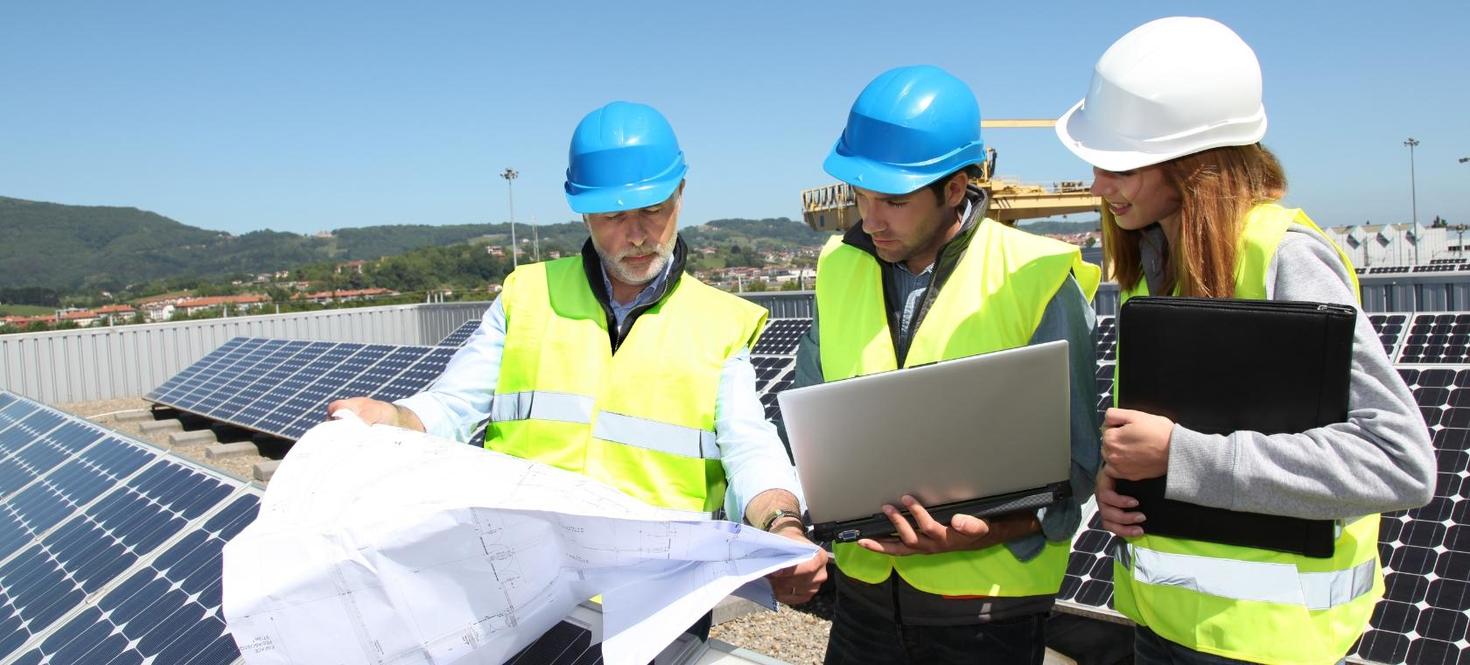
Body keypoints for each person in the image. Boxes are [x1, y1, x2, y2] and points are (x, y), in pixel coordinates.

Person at [328, 101, 828, 616]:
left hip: (658, 599)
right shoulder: (526, 295)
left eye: (653, 210)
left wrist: (781, 524)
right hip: (524, 586)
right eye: (614, 216)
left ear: (680, 194)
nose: (636, 234)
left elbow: (750, 447)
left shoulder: (721, 321)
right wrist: (394, 419)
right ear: (583, 210)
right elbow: (453, 406)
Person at [1054, 16, 1435, 665]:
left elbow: (1398, 462)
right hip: (1161, 631)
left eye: (1118, 162)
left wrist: (1180, 457)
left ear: (1194, 160)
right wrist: (1124, 484)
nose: (1096, 183)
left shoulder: (1285, 258)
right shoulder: (1157, 269)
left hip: (1269, 649)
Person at [792, 64, 1103, 665]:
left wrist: (990, 528)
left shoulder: (1035, 277)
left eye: (894, 200)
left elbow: (1076, 468)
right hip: (862, 602)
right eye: (861, 195)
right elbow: (807, 420)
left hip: (985, 614)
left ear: (955, 188)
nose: (870, 218)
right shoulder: (838, 267)